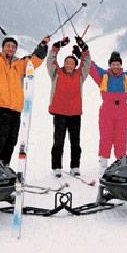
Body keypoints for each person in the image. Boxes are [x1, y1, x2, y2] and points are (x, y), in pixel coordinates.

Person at [0, 20, 49, 165]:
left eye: (13, 47)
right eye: (7, 46)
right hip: (0, 106)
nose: (10, 48)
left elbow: (35, 61)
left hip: (16, 108)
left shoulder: (20, 64)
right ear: (2, 48)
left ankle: (4, 167)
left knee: (11, 141)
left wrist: (43, 45)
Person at [47, 36, 91, 177]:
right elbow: (50, 60)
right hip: (59, 113)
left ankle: (75, 166)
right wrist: (57, 45)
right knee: (58, 142)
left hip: (75, 114)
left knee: (75, 142)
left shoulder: (80, 75)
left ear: (75, 65)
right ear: (64, 64)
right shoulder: (56, 73)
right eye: (67, 62)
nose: (69, 65)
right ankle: (56, 167)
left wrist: (84, 48)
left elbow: (87, 62)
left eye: (72, 63)